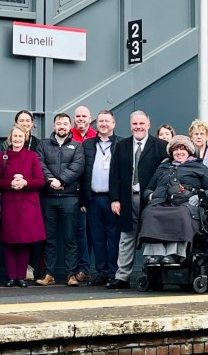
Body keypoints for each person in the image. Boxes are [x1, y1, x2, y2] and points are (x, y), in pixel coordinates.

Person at [107, 110, 167, 289]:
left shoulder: (161, 145)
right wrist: (115, 199)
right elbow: (114, 174)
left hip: (151, 200)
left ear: (148, 125)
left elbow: (165, 175)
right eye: (135, 124)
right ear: (130, 125)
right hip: (127, 198)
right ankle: (122, 277)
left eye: (142, 123)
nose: (138, 127)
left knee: (152, 236)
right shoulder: (122, 145)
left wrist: (159, 196)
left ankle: (154, 277)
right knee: (126, 237)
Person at [140, 135, 208, 264]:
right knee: (150, 212)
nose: (179, 152)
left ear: (189, 151)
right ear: (171, 153)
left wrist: (199, 196)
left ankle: (174, 253)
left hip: (187, 204)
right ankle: (155, 254)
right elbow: (148, 189)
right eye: (175, 149)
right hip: (161, 202)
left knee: (180, 213)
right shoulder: (163, 168)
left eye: (182, 149)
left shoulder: (198, 167)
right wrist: (151, 196)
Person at [36, 113, 85, 287]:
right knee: (49, 239)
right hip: (48, 198)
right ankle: (49, 274)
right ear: (54, 125)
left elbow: (77, 167)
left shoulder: (77, 146)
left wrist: (61, 180)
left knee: (70, 238)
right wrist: (51, 180)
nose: (62, 126)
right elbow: (40, 164)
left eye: (65, 123)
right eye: (59, 123)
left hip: (69, 198)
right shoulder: (43, 145)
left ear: (69, 125)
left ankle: (70, 275)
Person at [0, 125, 46, 287]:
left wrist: (25, 182)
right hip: (9, 204)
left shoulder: (32, 156)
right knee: (9, 241)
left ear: (25, 138)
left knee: (25, 242)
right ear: (10, 138)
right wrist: (10, 184)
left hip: (27, 205)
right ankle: (12, 276)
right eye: (14, 136)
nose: (17, 139)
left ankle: (21, 276)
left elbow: (40, 180)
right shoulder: (1, 157)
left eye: (20, 136)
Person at [82, 110, 121, 285]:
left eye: (107, 121)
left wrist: (118, 198)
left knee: (113, 237)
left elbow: (123, 174)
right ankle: (102, 271)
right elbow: (83, 173)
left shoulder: (121, 144)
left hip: (112, 199)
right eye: (101, 121)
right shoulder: (88, 144)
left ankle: (113, 271)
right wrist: (83, 199)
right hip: (93, 199)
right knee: (97, 237)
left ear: (114, 124)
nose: (104, 124)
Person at [69, 105, 95, 282]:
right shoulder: (68, 135)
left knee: (94, 233)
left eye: (84, 116)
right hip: (76, 191)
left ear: (90, 118)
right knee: (80, 232)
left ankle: (87, 268)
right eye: (78, 116)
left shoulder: (96, 135)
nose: (81, 119)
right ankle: (81, 268)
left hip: (96, 190)